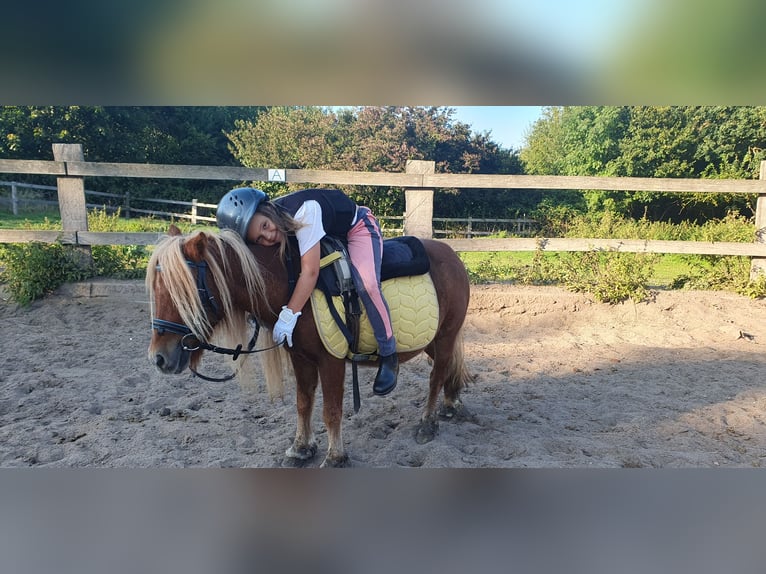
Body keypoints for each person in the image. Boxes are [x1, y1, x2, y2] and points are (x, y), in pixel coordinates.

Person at [216, 187, 398, 396]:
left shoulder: (304, 211)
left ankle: (388, 353)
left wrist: (289, 314)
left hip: (357, 227)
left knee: (368, 284)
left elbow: (310, 271)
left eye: (265, 226)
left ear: (266, 209)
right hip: (330, 232)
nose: (269, 236)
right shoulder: (276, 226)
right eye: (260, 239)